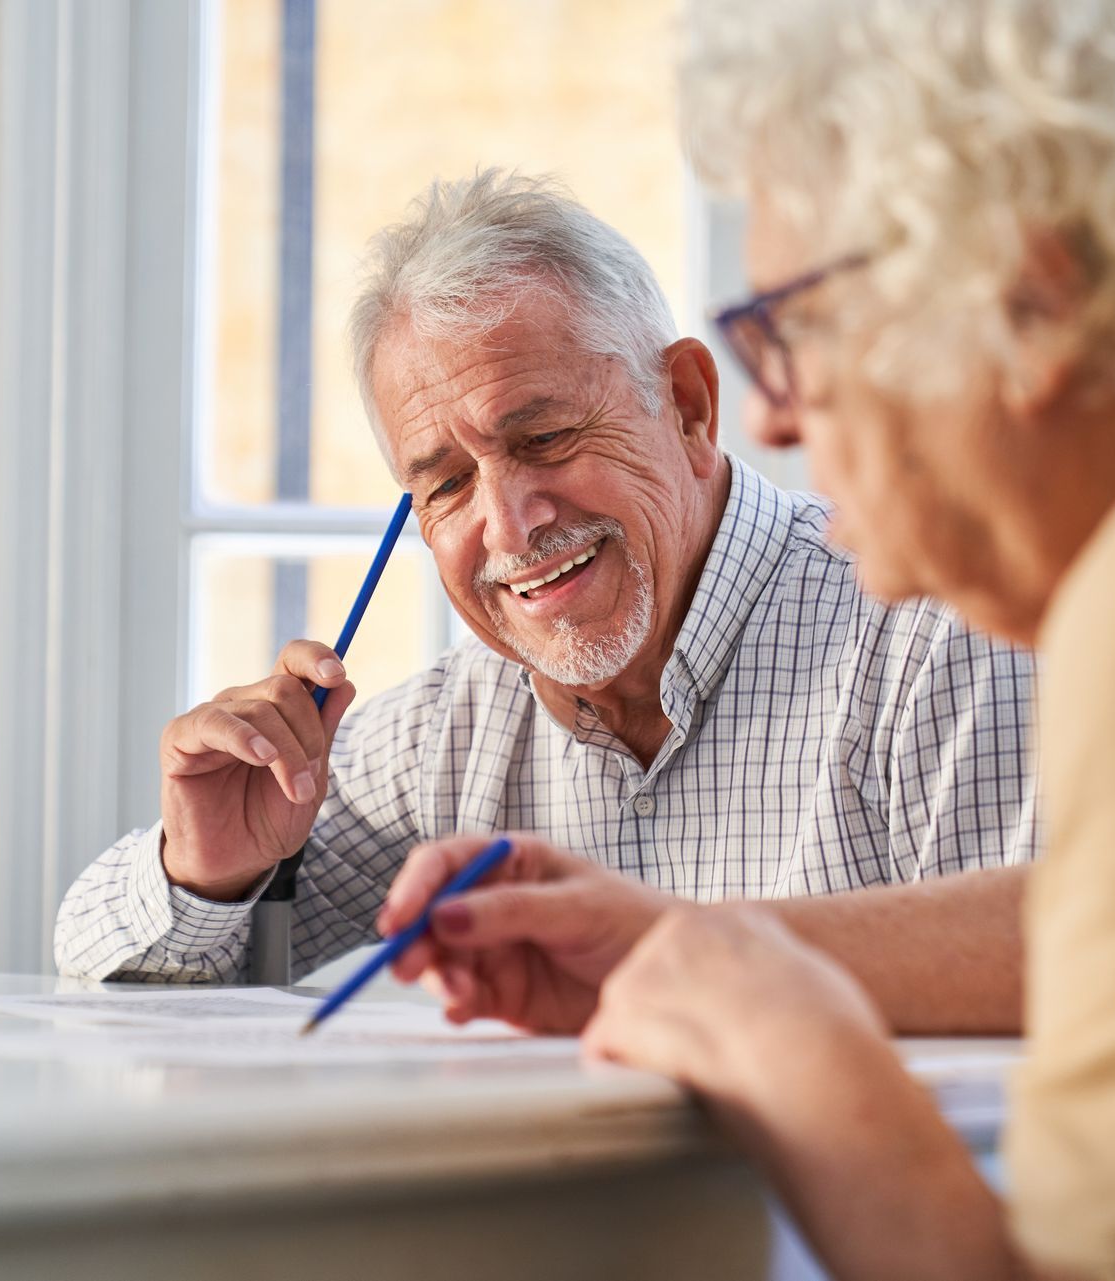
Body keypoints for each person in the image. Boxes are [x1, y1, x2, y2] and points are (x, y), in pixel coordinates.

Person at [380, 2, 1115, 1277]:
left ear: (1030, 301)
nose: (775, 426)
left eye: (797, 330)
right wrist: (701, 947)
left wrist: (790, 1048)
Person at [55, 169, 1037, 1029]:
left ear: (689, 406)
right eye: (444, 484)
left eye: (544, 439)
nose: (511, 525)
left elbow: (1065, 986)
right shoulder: (453, 729)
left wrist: (673, 949)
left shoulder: (932, 643)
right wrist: (208, 873)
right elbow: (94, 969)